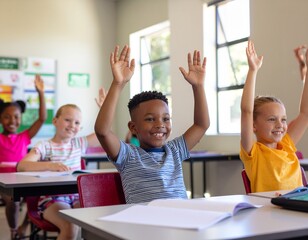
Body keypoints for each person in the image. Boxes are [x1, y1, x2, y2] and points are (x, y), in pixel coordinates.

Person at [94, 45, 210, 204]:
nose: (160, 124)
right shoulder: (128, 155)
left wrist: (198, 87)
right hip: (145, 225)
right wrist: (118, 84)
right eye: (150, 119)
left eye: (166, 119)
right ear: (133, 127)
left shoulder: (175, 151)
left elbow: (201, 125)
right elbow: (102, 131)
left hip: (181, 220)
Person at [17, 89, 105, 240]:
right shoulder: (45, 145)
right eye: (67, 120)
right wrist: (50, 165)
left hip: (78, 196)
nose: (72, 125)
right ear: (55, 121)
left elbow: (104, 133)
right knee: (70, 225)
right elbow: (22, 165)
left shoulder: (79, 143)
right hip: (53, 199)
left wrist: (104, 110)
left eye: (77, 122)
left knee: (95, 223)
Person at [240, 40, 308, 193]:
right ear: (253, 125)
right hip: (270, 214)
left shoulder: (287, 145)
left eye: (283, 119)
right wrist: (253, 70)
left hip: (297, 211)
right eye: (272, 119)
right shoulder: (253, 152)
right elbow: (246, 111)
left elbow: (305, 113)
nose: (280, 125)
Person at [0, 74, 46, 239]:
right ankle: (13, 230)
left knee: (37, 197)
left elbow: (42, 118)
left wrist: (40, 93)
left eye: (16, 117)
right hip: (4, 182)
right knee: (14, 200)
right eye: (6, 116)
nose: (12, 120)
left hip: (22, 177)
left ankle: (25, 224)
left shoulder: (24, 137)